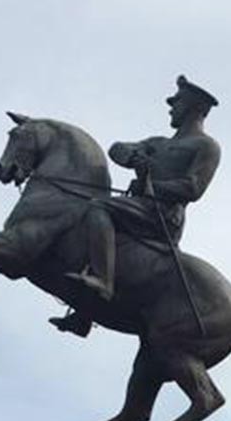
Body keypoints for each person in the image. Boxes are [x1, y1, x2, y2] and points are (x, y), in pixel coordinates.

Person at [60, 76, 221, 318]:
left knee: (99, 208)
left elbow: (193, 188)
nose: (171, 108)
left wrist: (151, 186)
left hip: (163, 215)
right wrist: (133, 158)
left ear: (192, 107)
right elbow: (117, 147)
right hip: (139, 207)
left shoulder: (206, 146)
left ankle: (102, 280)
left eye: (176, 103)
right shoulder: (158, 143)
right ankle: (85, 313)